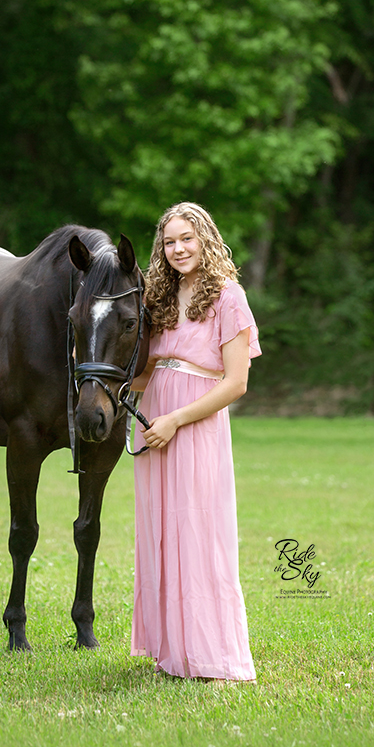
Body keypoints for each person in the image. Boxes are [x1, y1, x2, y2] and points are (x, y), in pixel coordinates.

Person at [130, 202, 261, 683]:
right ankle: (172, 652)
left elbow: (235, 383)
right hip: (154, 419)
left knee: (198, 532)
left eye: (187, 238)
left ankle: (211, 654)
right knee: (161, 530)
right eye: (169, 241)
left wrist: (176, 419)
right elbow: (148, 372)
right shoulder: (159, 296)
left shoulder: (228, 297)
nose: (178, 249)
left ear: (206, 238)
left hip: (193, 422)